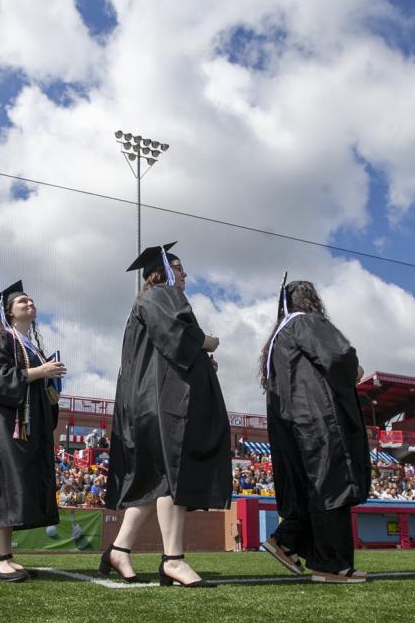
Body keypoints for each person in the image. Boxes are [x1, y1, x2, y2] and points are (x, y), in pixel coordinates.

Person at [105, 243, 232, 587]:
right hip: (161, 405)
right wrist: (206, 342)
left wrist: (202, 364)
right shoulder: (161, 294)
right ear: (162, 270)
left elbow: (166, 351)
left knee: (158, 482)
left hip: (148, 402)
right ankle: (173, 560)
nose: (185, 274)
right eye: (179, 267)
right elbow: (178, 335)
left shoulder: (147, 301)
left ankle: (119, 549)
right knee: (172, 475)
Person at [257, 283, 372, 583]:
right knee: (330, 483)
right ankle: (330, 564)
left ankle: (286, 541)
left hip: (290, 425)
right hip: (318, 419)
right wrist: (355, 371)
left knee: (311, 487)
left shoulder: (277, 339)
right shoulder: (306, 322)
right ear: (310, 300)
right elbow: (338, 357)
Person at [0, 280, 64, 582]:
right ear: (9, 312)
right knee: (4, 485)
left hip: (30, 427)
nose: (30, 304)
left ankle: (6, 555)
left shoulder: (32, 346)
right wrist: (41, 372)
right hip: (6, 425)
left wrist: (51, 389)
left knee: (17, 487)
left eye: (31, 301)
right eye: (22, 301)